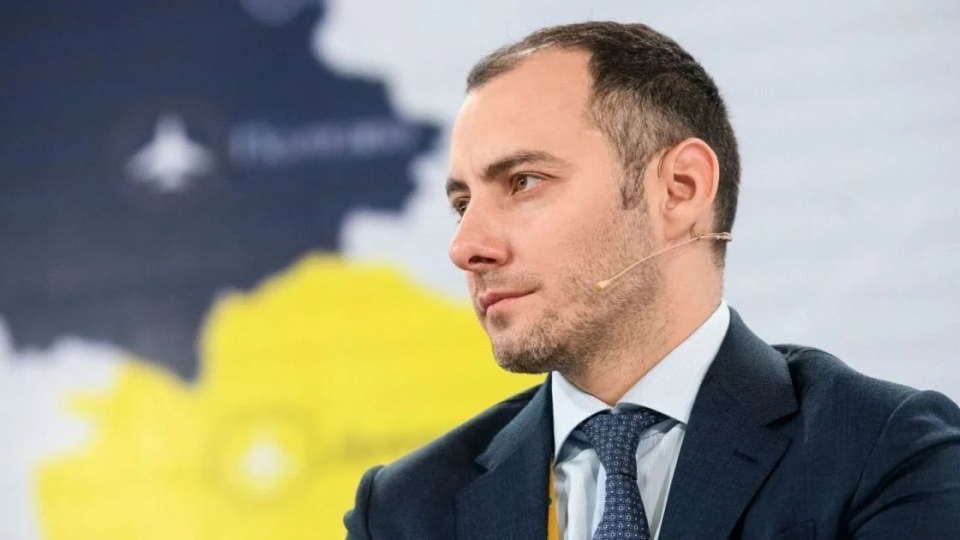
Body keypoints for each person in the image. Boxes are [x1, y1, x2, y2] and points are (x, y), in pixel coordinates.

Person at [344, 22, 960, 539]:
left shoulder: (887, 455)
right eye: (462, 204)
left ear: (680, 188)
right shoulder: (403, 511)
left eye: (524, 182)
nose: (465, 248)